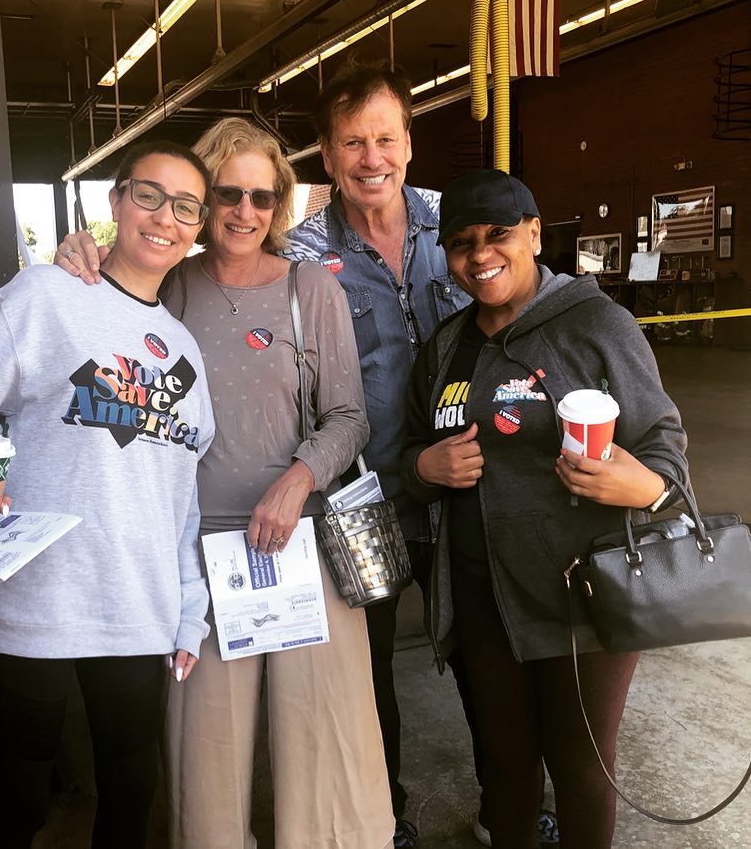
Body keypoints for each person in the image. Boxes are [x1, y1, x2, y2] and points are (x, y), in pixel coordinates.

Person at [64, 117, 394, 848]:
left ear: (279, 204)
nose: (245, 211)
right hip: (198, 558)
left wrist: (297, 479)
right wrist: (76, 256)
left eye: (262, 196)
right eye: (228, 193)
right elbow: (98, 317)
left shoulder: (311, 289)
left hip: (302, 544)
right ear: (203, 200)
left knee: (324, 745)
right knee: (205, 754)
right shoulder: (170, 287)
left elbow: (348, 416)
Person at [0, 142, 217, 848]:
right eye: (148, 195)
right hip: (32, 598)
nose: (165, 218)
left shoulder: (183, 348)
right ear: (115, 200)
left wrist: (189, 609)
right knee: (22, 799)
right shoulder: (42, 297)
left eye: (185, 207)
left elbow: (182, 499)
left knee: (131, 794)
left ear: (198, 227)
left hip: (136, 608)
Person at [402, 169, 690, 849]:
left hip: (584, 596)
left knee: (581, 770)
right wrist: (423, 468)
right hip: (481, 595)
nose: (479, 255)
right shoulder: (447, 346)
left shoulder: (596, 324)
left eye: (497, 234)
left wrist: (645, 486)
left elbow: (662, 442)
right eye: (461, 243)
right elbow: (411, 445)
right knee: (505, 768)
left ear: (533, 234)